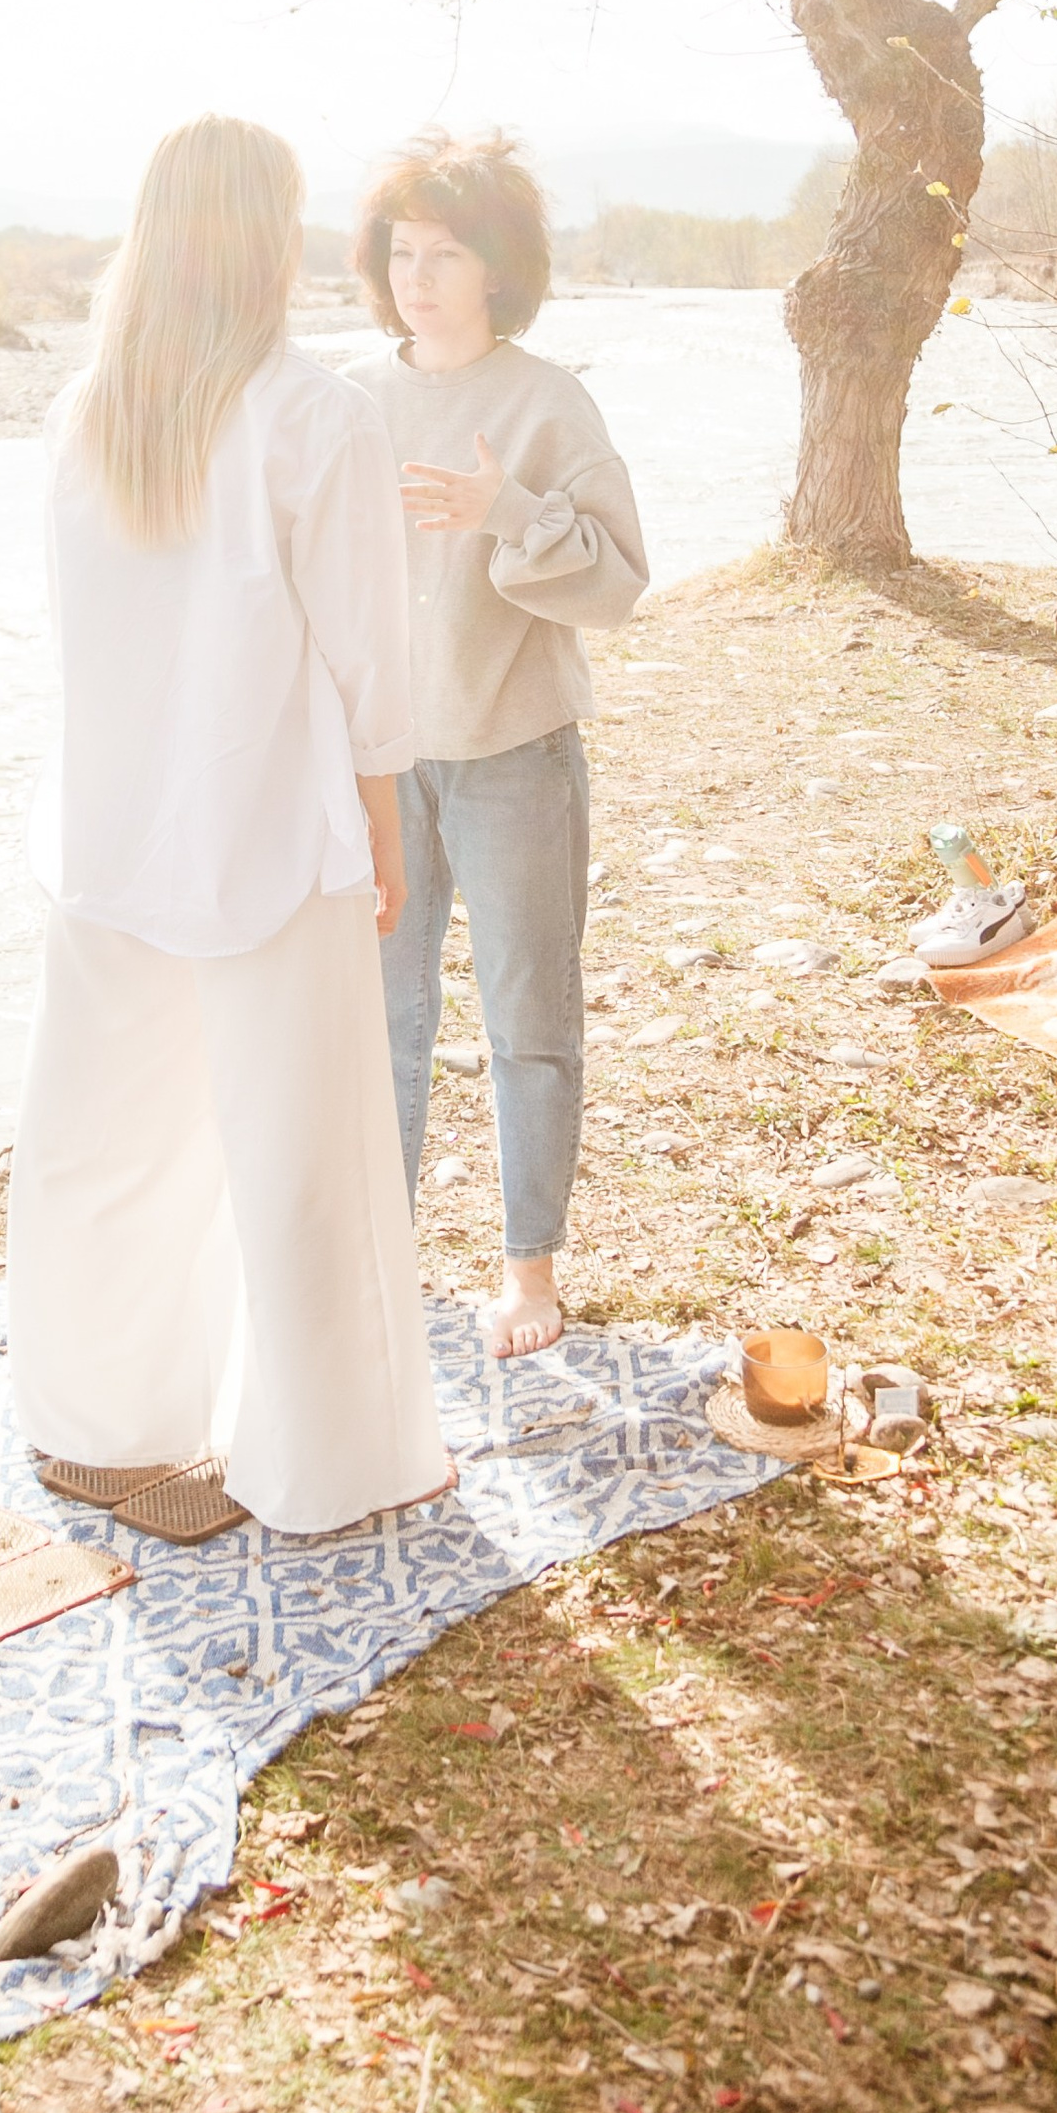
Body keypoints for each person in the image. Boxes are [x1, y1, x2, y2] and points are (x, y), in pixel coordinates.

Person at [9, 115, 452, 1535]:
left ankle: (95, 1419)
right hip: (266, 833)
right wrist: (383, 824)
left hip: (107, 834)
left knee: (101, 1141)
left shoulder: (92, 412)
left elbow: (84, 633)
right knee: (300, 1147)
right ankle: (323, 1462)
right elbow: (370, 663)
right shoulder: (316, 414)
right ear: (268, 239)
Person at [353, 133, 648, 1359]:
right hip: (376, 765)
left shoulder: (546, 401)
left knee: (528, 1014)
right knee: (382, 1022)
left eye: (445, 253)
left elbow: (620, 584)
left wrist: (507, 514)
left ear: (496, 268)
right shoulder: (349, 401)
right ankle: (375, 1260)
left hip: (515, 755)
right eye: (400, 252)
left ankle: (529, 1271)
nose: (417, 277)